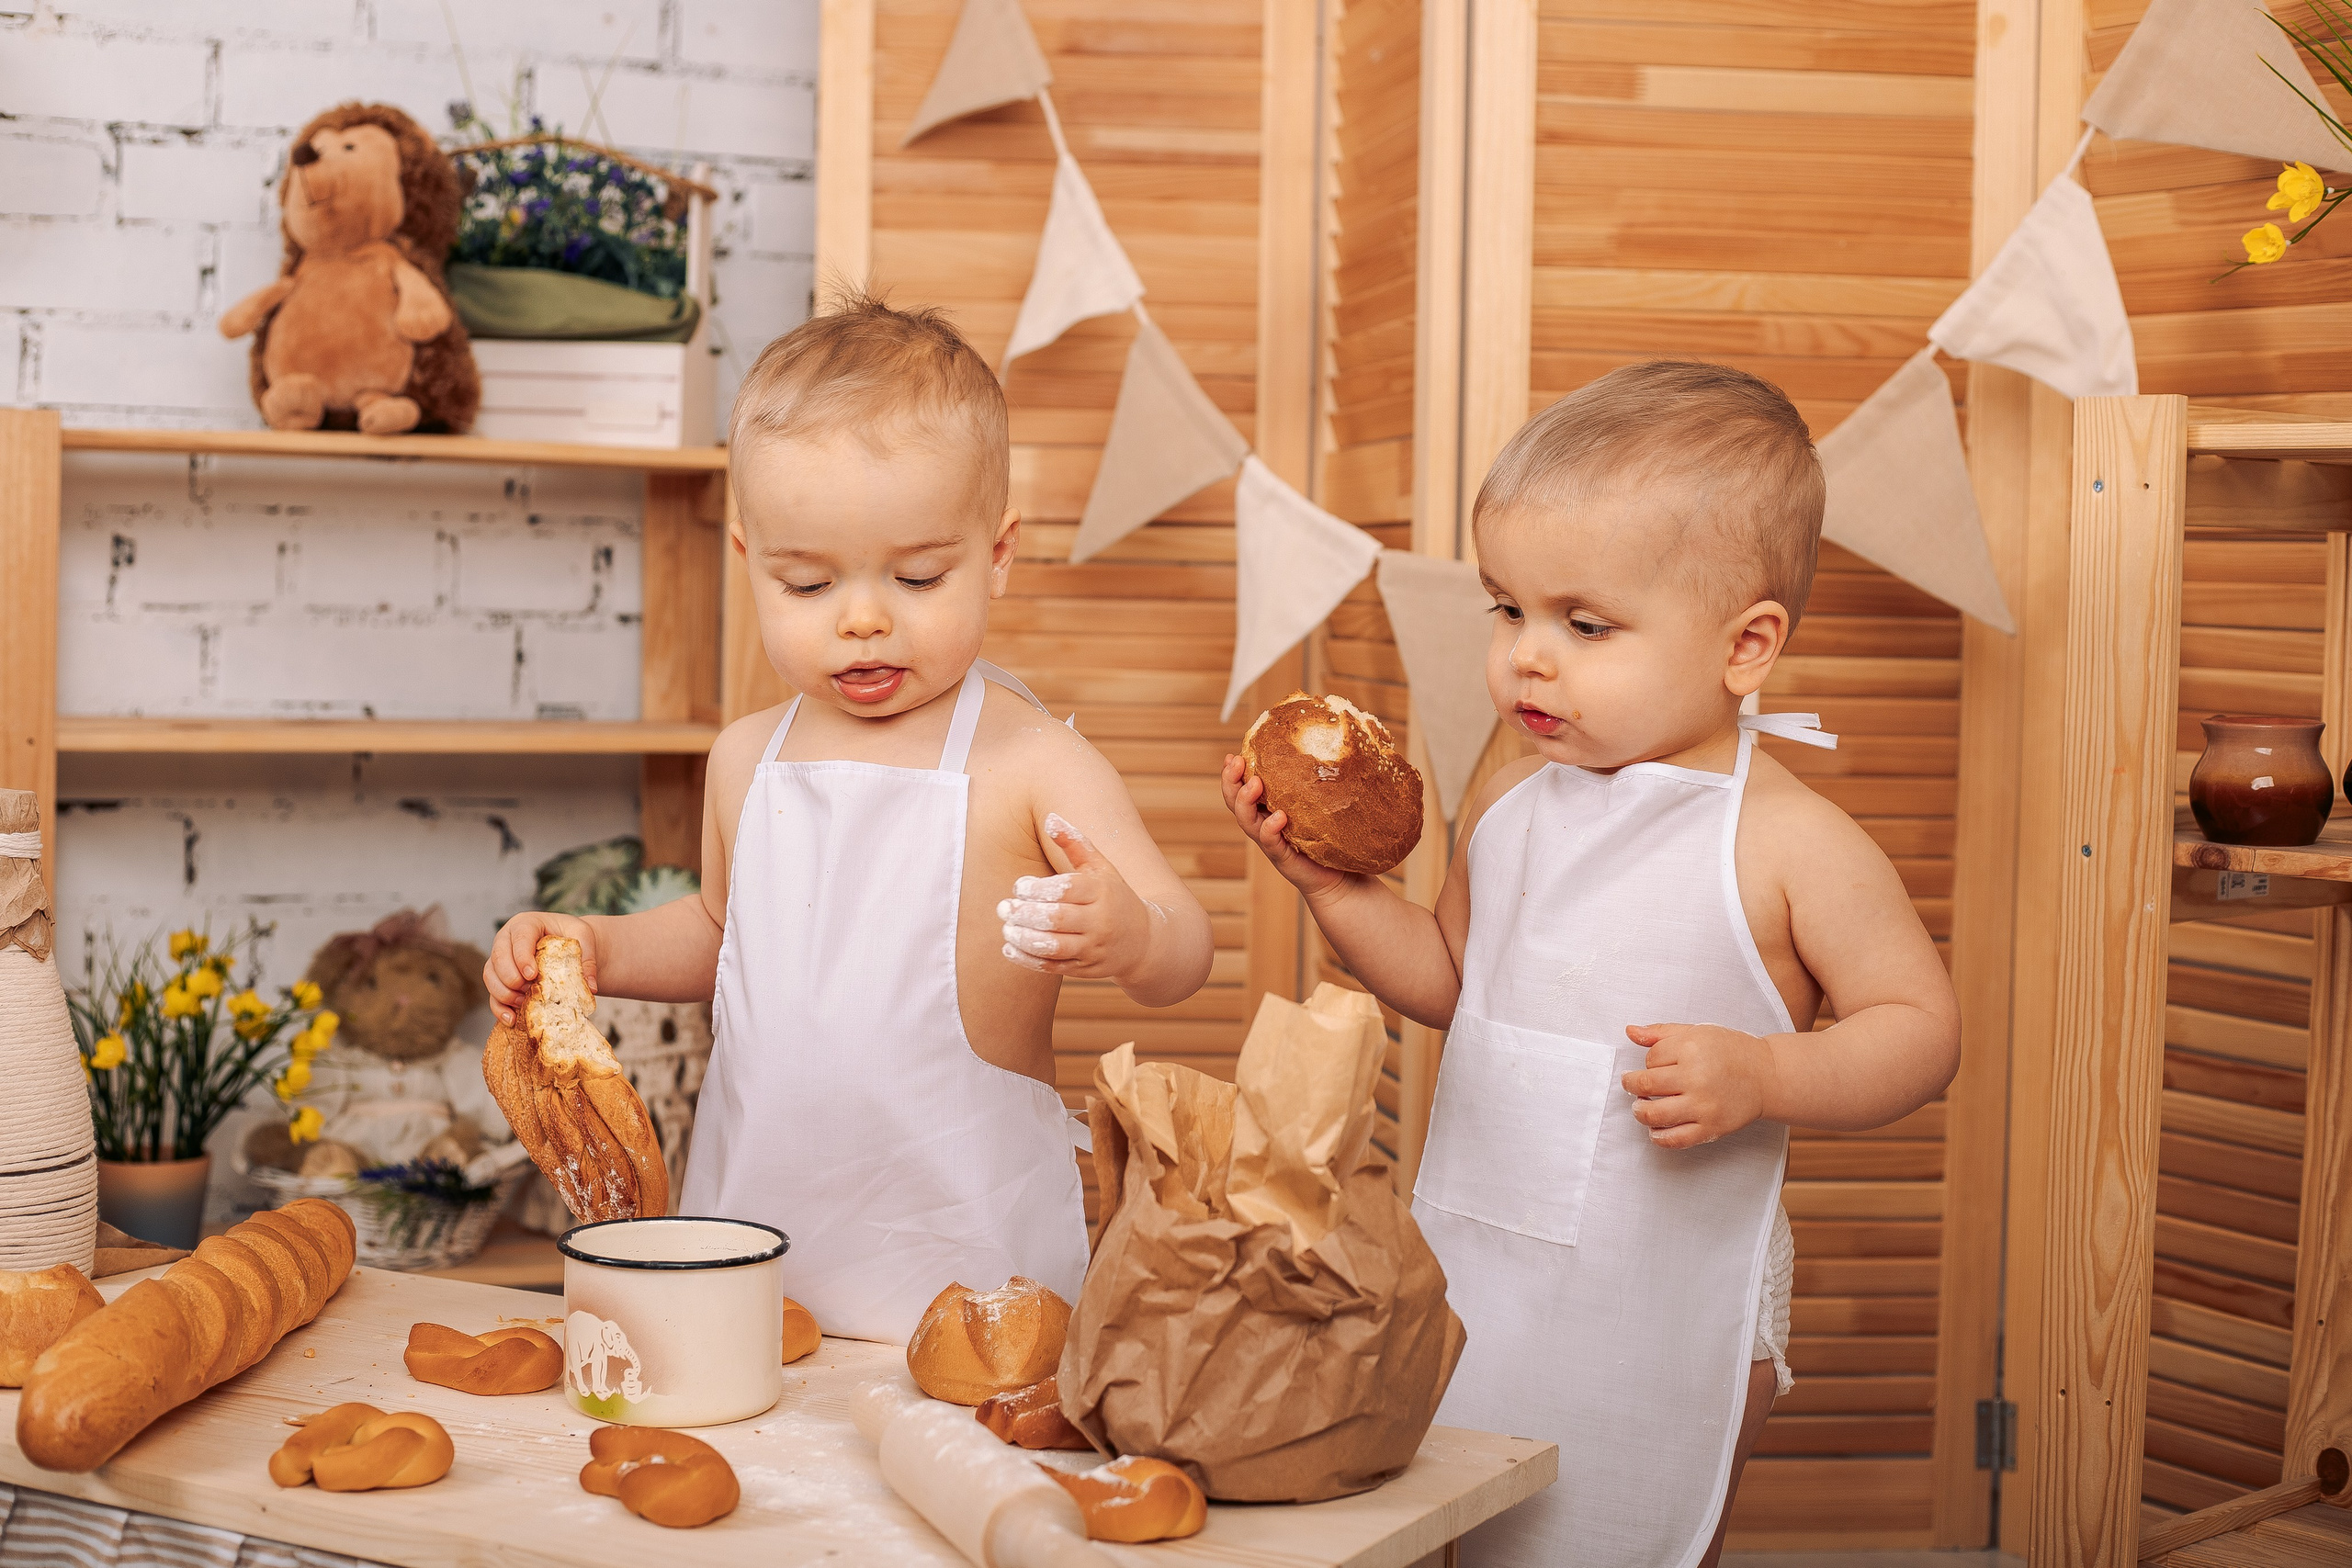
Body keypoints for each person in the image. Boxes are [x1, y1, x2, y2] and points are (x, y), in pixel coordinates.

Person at [1222, 360, 1961, 1567]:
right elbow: (1453, 979)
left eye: (1585, 623)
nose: (1528, 657)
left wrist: (1769, 1073)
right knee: (1469, 1514)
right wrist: (1333, 889)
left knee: (1628, 1531)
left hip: (1675, 1280)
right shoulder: (1514, 788)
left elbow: (1921, 1028)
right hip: (1483, 1256)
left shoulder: (1787, 837)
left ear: (1747, 644)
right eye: (1507, 609)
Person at [489, 292, 1215, 1344]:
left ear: (998, 553)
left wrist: (1133, 931)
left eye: (918, 576)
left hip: (965, 1241)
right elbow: (721, 935)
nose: (862, 616)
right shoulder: (746, 758)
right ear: (750, 561)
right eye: (808, 581)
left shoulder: (1030, 758)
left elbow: (1185, 944)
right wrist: (592, 945)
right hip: (756, 1220)